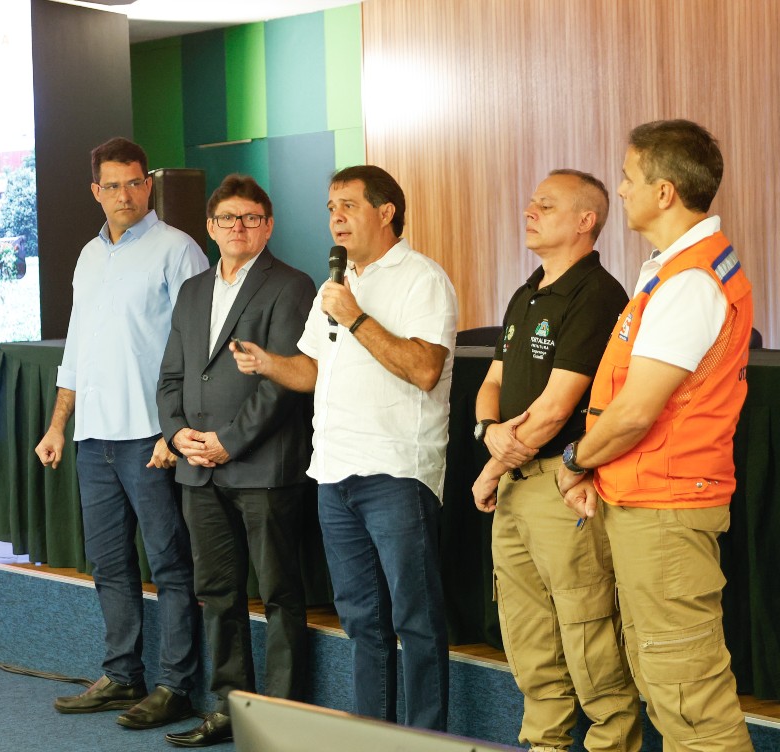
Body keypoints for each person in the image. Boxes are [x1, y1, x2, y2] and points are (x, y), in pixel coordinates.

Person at [232, 165, 457, 732]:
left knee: (416, 621)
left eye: (349, 206)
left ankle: (425, 740)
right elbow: (313, 369)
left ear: (386, 212)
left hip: (396, 472)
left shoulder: (421, 278)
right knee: (361, 621)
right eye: (331, 207)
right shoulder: (335, 285)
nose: (335, 218)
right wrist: (267, 363)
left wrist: (355, 316)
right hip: (333, 473)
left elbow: (425, 369)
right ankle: (373, 737)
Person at [557, 119, 755, 751]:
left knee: (690, 700)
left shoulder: (691, 281)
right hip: (648, 501)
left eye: (628, 177)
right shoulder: (673, 270)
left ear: (664, 192)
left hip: (667, 509)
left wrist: (575, 459)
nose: (619, 190)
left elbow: (636, 413)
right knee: (665, 684)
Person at [35, 137, 208, 730]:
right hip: (94, 439)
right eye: (112, 186)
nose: (125, 195)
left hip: (151, 438)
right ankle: (122, 674)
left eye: (135, 183)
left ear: (148, 185)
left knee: (170, 565)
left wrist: (175, 430)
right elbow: (77, 349)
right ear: (96, 192)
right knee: (109, 564)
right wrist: (58, 426)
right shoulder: (88, 256)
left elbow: (199, 347)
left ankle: (177, 686)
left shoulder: (177, 250)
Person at [471, 170, 639, 751]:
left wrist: (491, 465)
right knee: (528, 635)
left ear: (585, 220)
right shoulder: (527, 293)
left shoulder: (598, 294)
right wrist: (489, 433)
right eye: (531, 202)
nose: (530, 211)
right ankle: (545, 745)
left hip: (562, 483)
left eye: (545, 205)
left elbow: (555, 408)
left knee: (589, 633)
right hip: (515, 485)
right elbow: (491, 383)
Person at [155, 174, 316, 748]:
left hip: (263, 466)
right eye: (227, 218)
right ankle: (228, 709)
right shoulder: (193, 290)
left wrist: (229, 441)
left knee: (279, 596)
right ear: (210, 227)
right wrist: (177, 434)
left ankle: (280, 720)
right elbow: (172, 376)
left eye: (251, 218)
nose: (238, 227)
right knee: (218, 593)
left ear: (268, 227)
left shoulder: (292, 285)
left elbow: (283, 381)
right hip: (197, 469)